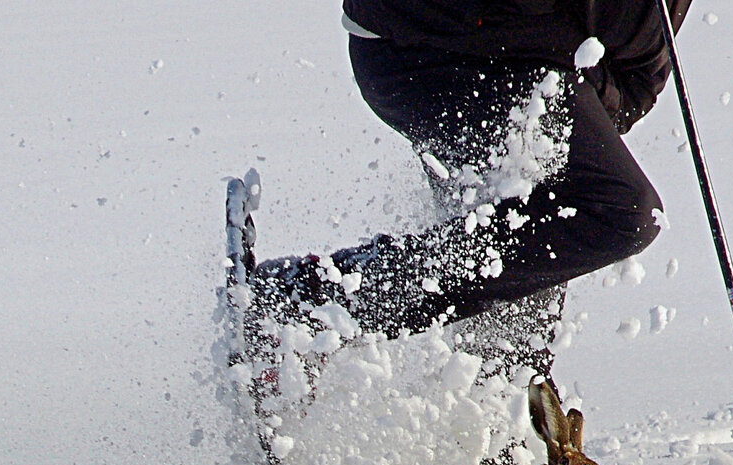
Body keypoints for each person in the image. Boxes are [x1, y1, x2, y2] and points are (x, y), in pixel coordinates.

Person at [237, 0, 693, 413]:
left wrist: (579, 101)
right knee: (622, 213)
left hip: (501, 64)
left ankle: (491, 437)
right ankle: (304, 306)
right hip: (430, 50)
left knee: (550, 213)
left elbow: (636, 83)